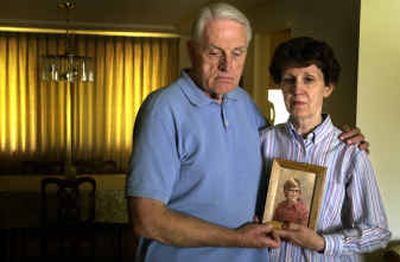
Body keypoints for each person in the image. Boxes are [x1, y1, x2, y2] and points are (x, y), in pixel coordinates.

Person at [126, 3, 369, 262]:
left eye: (237, 53)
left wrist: (343, 137)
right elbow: (147, 220)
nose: (227, 66)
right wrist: (237, 238)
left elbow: (287, 142)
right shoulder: (163, 110)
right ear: (192, 51)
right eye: (213, 53)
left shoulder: (242, 102)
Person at [261, 36, 391, 261]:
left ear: (328, 88)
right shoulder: (262, 142)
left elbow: (378, 232)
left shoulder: (350, 152)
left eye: (309, 79)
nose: (297, 89)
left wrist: (323, 243)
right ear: (280, 86)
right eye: (289, 80)